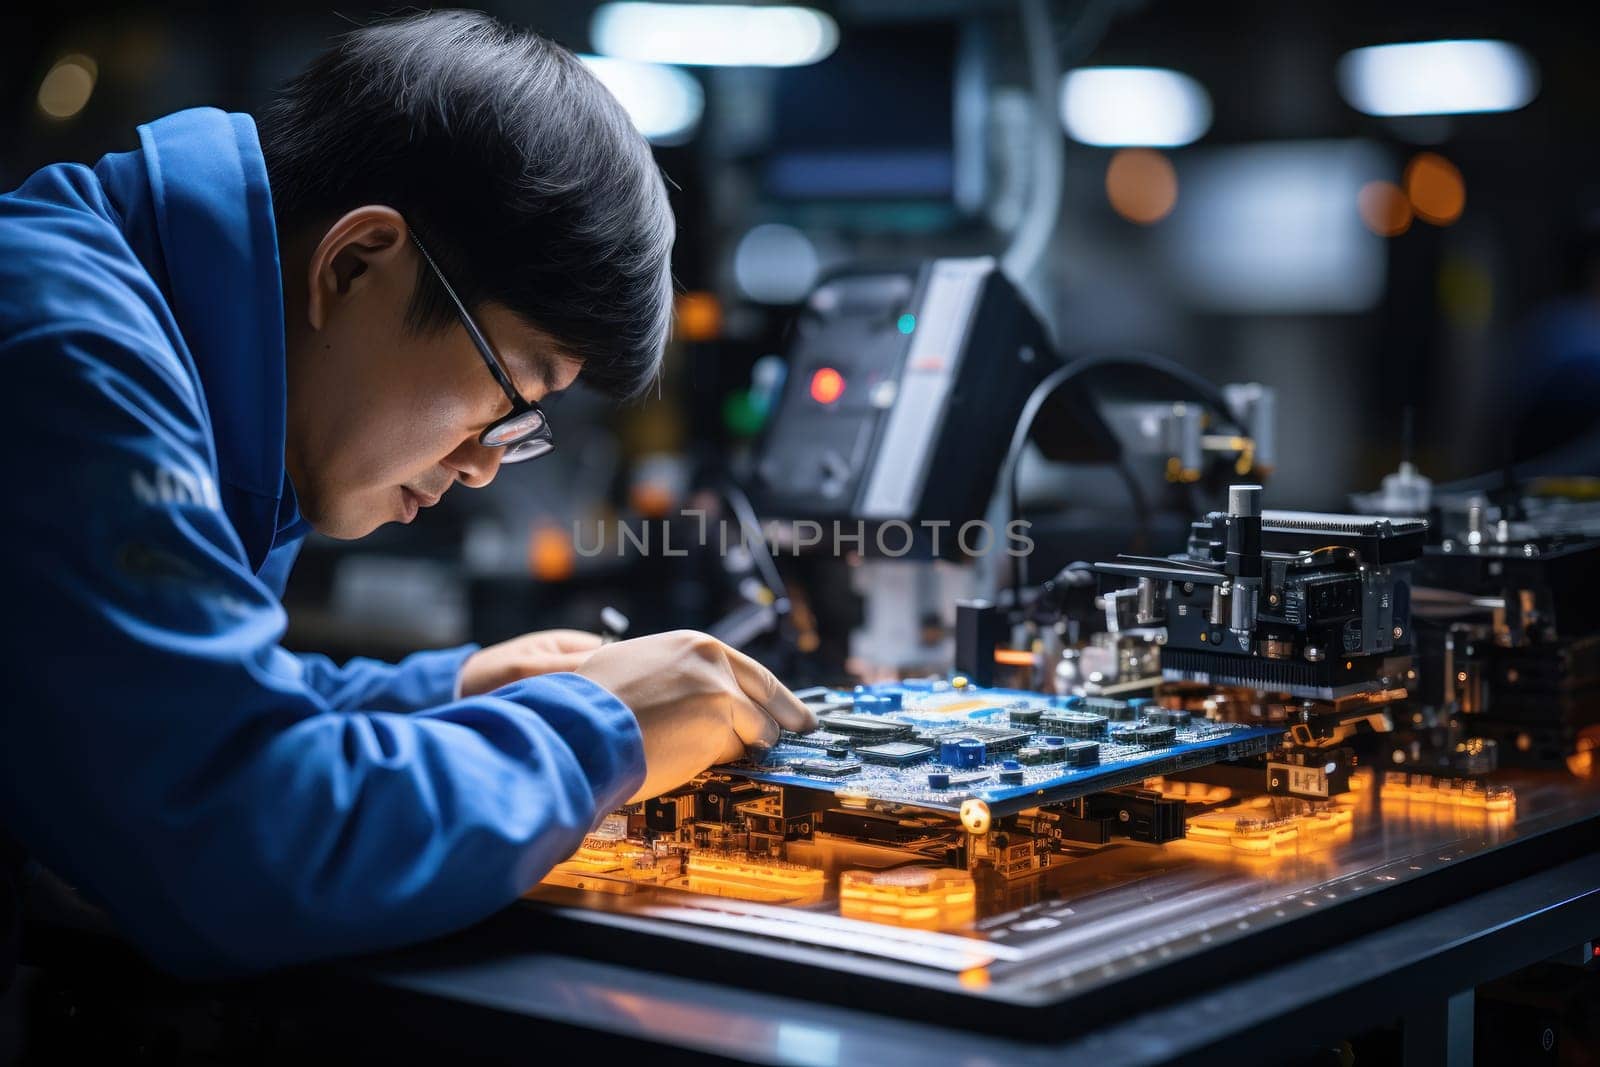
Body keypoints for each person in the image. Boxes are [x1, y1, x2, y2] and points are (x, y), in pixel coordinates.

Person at [0, 10, 815, 981]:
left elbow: (165, 706)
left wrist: (456, 691)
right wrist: (598, 728)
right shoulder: (69, 361)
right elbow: (243, 835)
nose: (480, 464)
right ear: (355, 264)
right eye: (511, 392)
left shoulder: (181, 348)